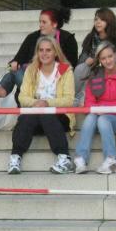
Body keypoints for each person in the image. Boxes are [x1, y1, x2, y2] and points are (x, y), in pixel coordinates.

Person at [7, 35, 76, 174]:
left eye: (48, 50)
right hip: (35, 117)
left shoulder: (65, 70)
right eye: (41, 50)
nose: (44, 53)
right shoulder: (31, 70)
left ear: (55, 52)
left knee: (45, 113)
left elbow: (69, 99)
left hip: (60, 118)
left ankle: (64, 158)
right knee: (27, 116)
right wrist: (37, 103)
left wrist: (47, 103)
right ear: (37, 52)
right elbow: (22, 97)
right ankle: (15, 158)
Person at [73, 41, 116, 174]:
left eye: (110, 56)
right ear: (99, 60)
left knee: (103, 119)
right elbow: (88, 103)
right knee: (91, 117)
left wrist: (104, 108)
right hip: (99, 116)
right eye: (103, 58)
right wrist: (100, 109)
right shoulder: (95, 75)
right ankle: (80, 159)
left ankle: (112, 160)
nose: (108, 61)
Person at [0, 8, 78, 99]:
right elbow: (17, 60)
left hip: (54, 83)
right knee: (13, 72)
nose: (40, 25)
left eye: (44, 22)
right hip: (31, 78)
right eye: (40, 22)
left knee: (14, 74)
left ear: (54, 24)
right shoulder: (32, 38)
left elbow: (72, 66)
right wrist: (15, 63)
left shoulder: (68, 39)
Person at [74, 7, 116, 104]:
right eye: (96, 19)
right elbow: (81, 61)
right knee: (80, 68)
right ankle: (76, 96)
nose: (98, 22)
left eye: (102, 19)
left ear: (109, 21)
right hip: (92, 72)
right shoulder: (90, 38)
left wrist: (105, 61)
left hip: (110, 72)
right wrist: (88, 61)